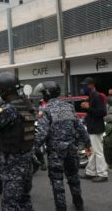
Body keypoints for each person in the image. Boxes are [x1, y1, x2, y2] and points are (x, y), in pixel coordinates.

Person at [0, 72, 35, 211]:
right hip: (26, 160)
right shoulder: (25, 105)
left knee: (9, 204)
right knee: (24, 200)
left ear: (3, 90)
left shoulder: (8, 109)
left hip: (13, 163)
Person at [34, 81, 92, 211]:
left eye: (43, 94)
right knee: (74, 177)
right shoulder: (68, 107)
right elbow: (80, 127)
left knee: (57, 180)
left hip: (56, 152)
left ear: (47, 94)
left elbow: (42, 134)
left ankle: (61, 207)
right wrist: (88, 144)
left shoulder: (46, 110)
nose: (42, 96)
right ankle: (79, 204)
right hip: (71, 149)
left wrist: (31, 149)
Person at [79, 77, 109, 182]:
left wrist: (88, 108)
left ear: (92, 85)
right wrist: (85, 107)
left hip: (96, 128)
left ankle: (103, 174)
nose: (84, 87)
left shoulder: (97, 96)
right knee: (92, 151)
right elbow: (92, 112)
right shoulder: (91, 96)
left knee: (98, 152)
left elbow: (102, 112)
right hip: (92, 127)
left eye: (86, 85)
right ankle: (90, 172)